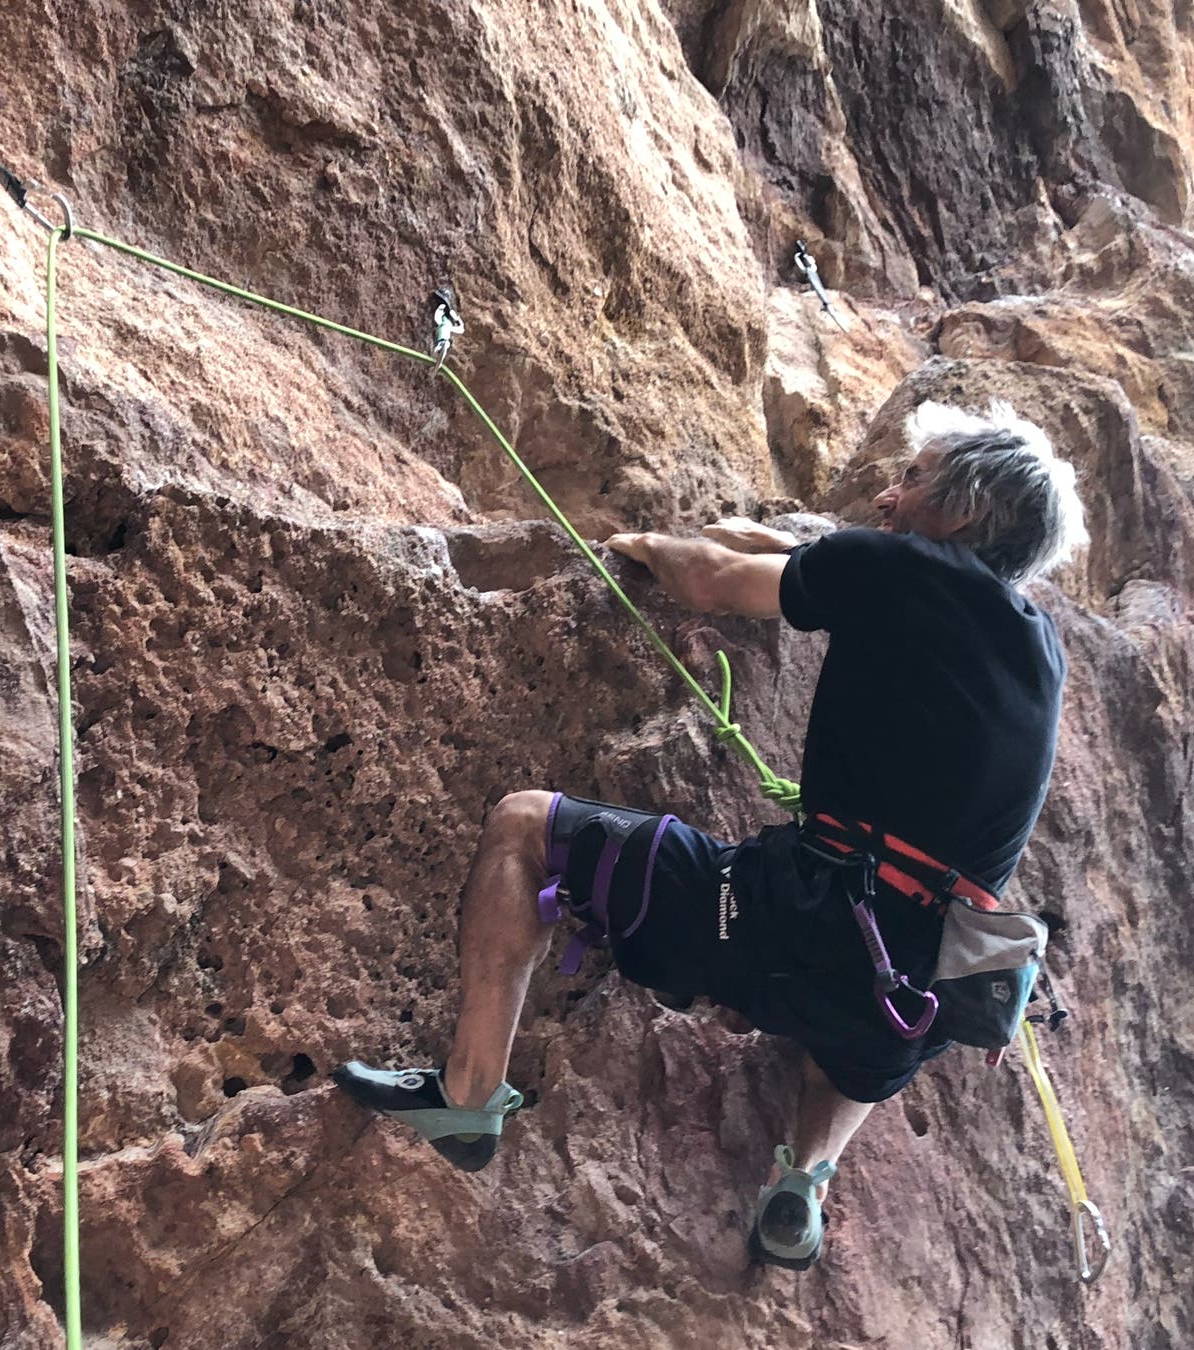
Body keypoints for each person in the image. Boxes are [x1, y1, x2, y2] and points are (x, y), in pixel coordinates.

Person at [335, 400, 1088, 1269]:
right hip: (916, 997)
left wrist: (651, 545)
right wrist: (792, 549)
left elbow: (711, 581)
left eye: (911, 478)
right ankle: (804, 1181)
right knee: (859, 1034)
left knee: (523, 825)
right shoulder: (1040, 649)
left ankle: (467, 1100)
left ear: (960, 512)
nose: (886, 494)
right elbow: (856, 580)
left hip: (778, 923)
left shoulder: (893, 567)